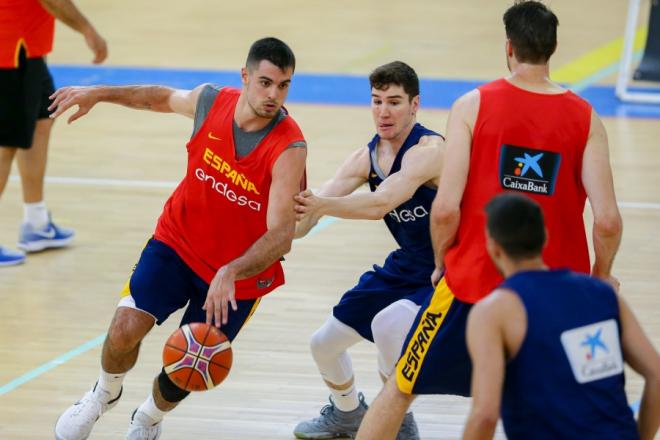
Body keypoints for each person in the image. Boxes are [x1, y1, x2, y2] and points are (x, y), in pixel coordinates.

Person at [356, 1, 623, 438]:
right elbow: (608, 220)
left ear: (509, 47)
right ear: (553, 49)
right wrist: (600, 276)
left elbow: (445, 208)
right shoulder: (586, 118)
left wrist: (442, 263)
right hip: (559, 294)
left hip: (473, 281)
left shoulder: (472, 105)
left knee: (400, 387)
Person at [50, 37, 307, 440]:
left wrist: (232, 270)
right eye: (265, 82)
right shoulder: (210, 102)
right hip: (178, 242)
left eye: (283, 85)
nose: (273, 94)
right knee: (123, 329)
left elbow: (282, 235)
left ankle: (148, 419)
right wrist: (99, 93)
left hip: (236, 276)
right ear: (245, 77)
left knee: (190, 367)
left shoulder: (288, 148)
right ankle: (103, 394)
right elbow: (155, 97)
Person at [292, 61, 444, 440]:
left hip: (448, 267)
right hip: (406, 265)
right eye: (377, 101)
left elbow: (380, 204)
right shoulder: (367, 156)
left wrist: (321, 206)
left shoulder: (430, 150)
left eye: (394, 102)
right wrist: (272, 233)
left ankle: (398, 420)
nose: (383, 111)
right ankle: (346, 415)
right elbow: (313, 208)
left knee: (389, 325)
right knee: (323, 345)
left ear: (415, 105)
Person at [463, 193, 660, 440]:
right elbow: (657, 374)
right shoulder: (603, 293)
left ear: (492, 246)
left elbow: (485, 416)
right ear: (544, 237)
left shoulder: (493, 312)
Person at [0, 0, 107, 266]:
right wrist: (87, 29)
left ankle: (36, 223)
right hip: (10, 50)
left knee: (41, 120)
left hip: (28, 48)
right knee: (5, 145)